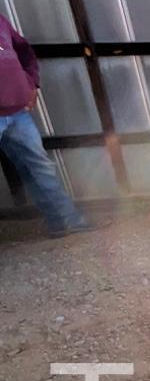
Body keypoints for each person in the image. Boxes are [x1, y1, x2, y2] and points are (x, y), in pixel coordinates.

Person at [0, 14, 102, 237]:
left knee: (38, 166)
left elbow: (24, 51)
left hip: (18, 112)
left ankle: (65, 221)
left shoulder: (1, 21)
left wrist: (32, 84)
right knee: (36, 167)